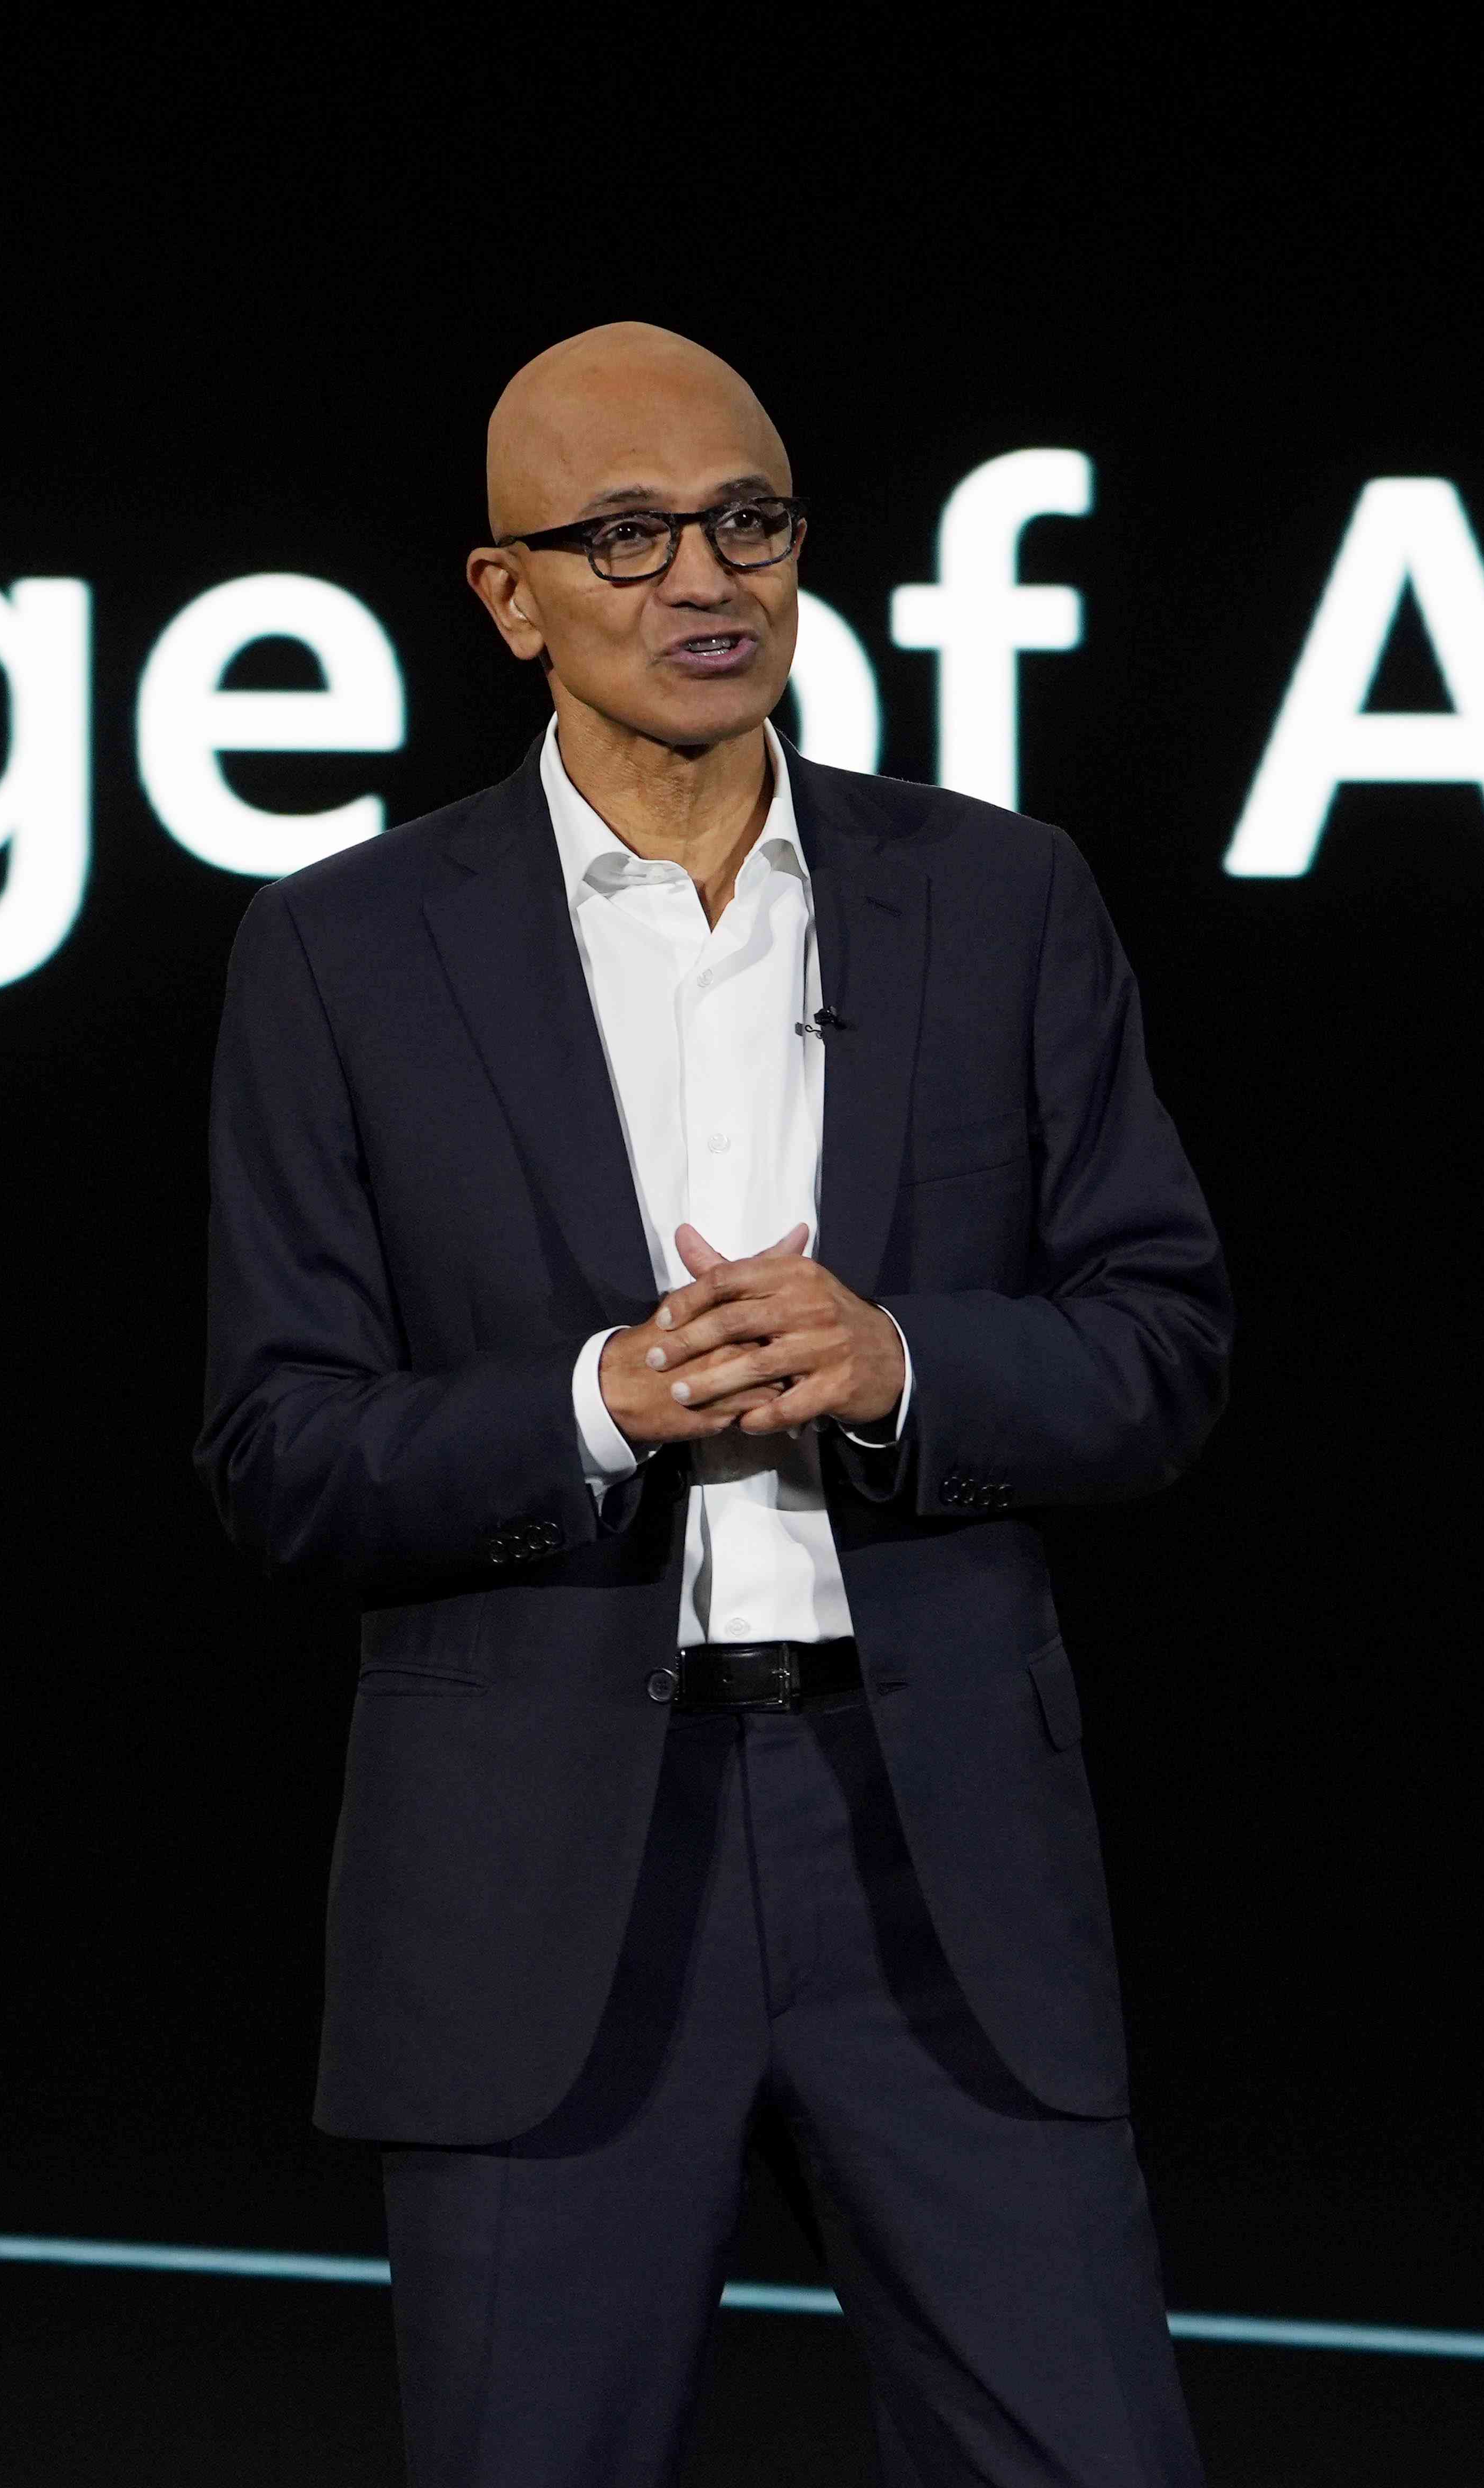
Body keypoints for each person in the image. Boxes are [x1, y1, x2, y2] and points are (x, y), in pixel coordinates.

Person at [198, 321, 1232, 2486]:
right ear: (511, 596)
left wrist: (905, 1360)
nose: (707, 579)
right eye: (632, 534)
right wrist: (591, 1400)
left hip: (934, 1851)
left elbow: (1162, 1344)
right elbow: (283, 1451)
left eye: (750, 523)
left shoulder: (1004, 897)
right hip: (548, 1890)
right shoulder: (345, 953)